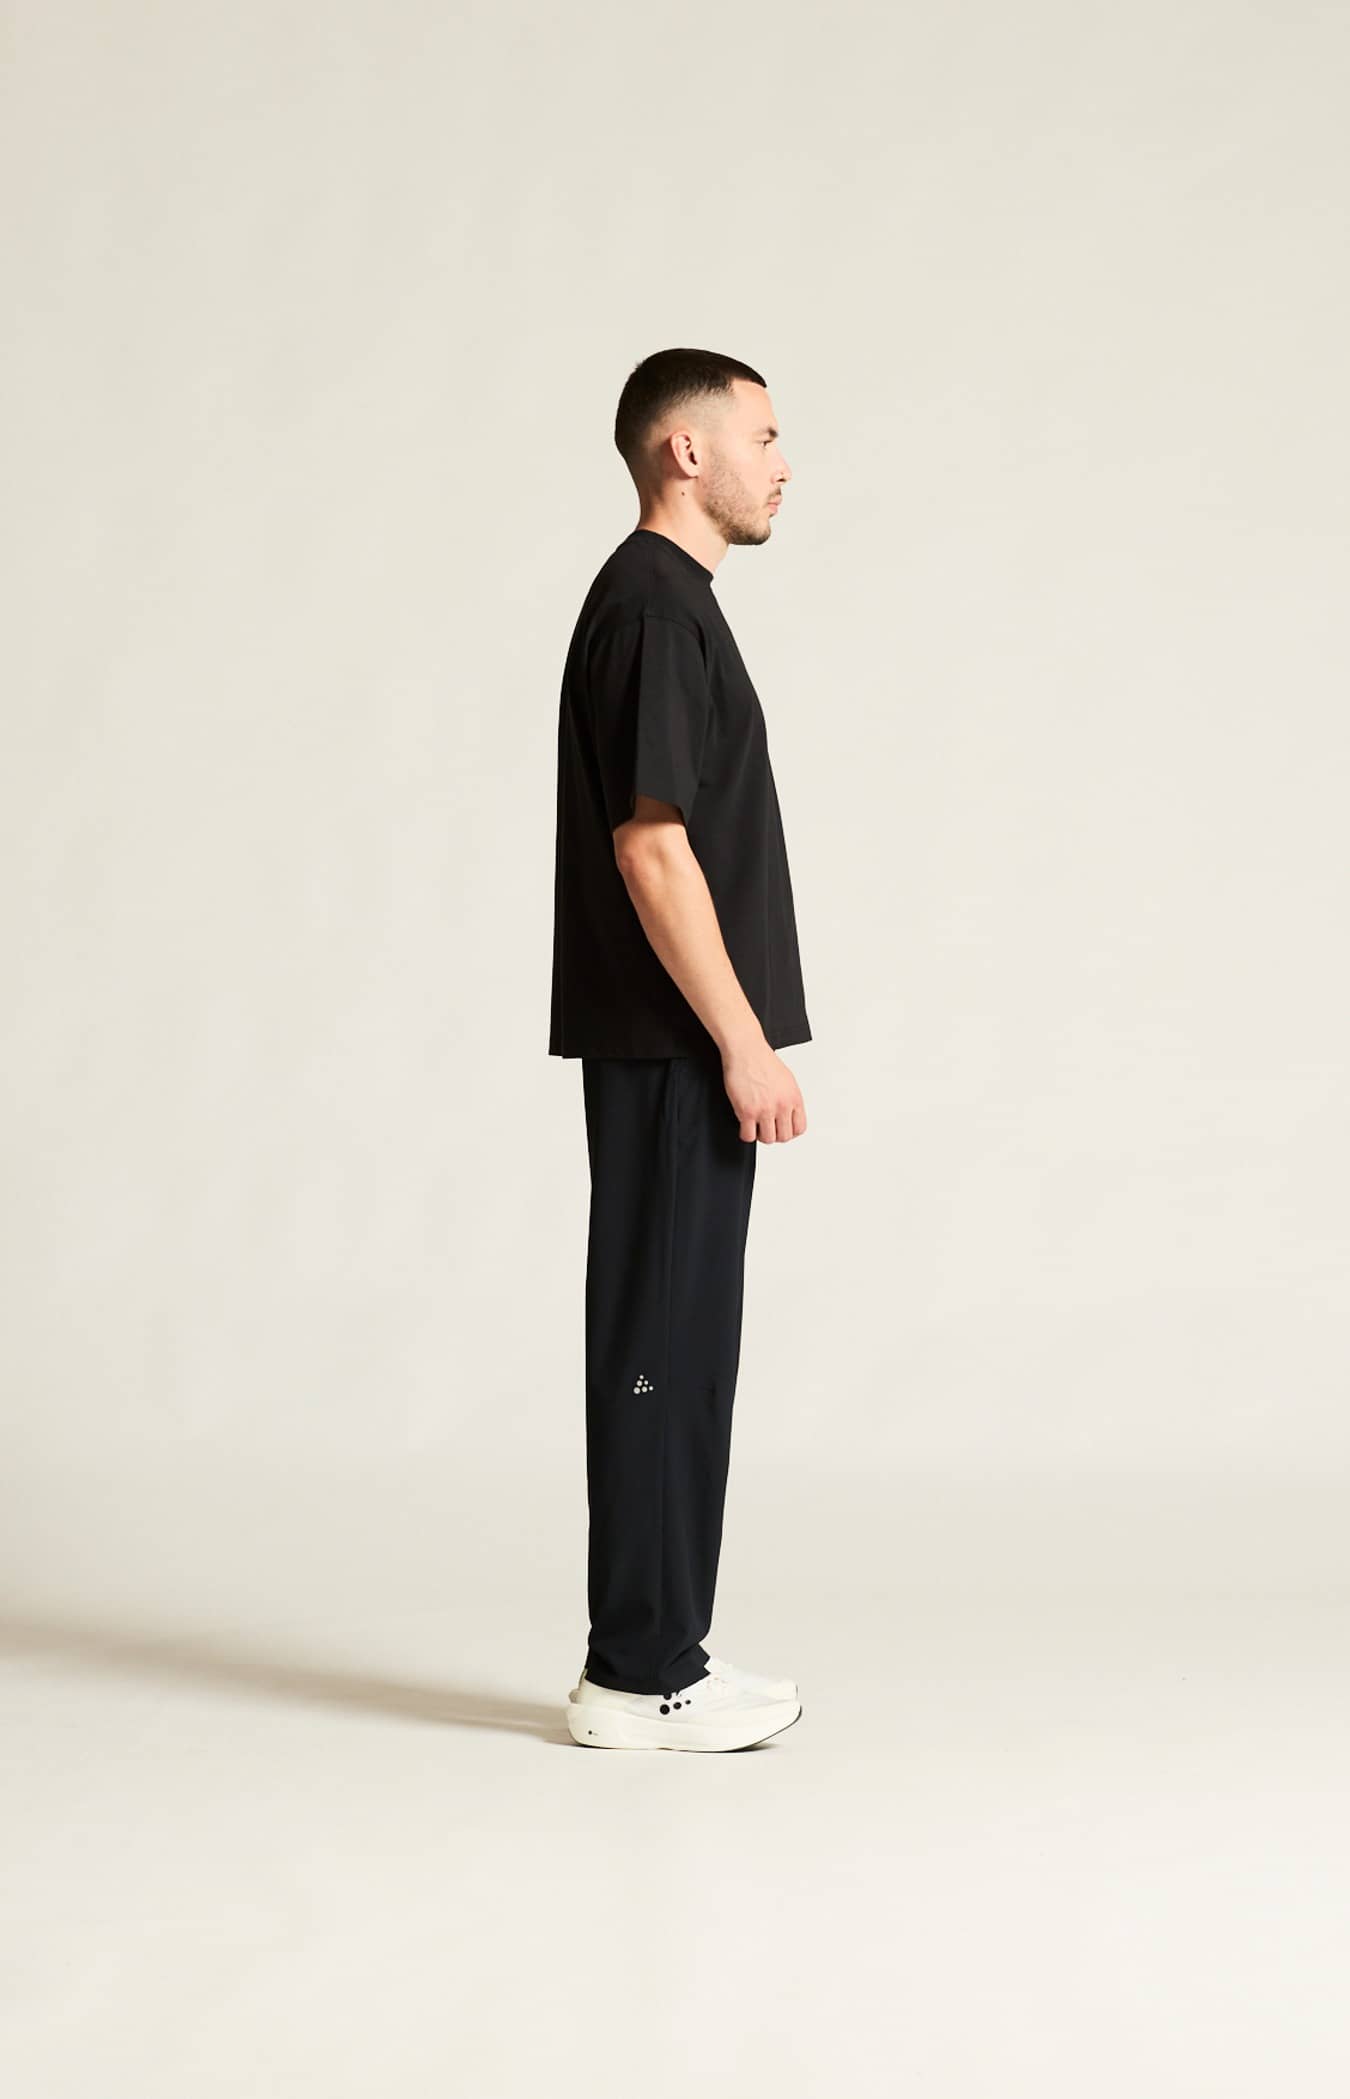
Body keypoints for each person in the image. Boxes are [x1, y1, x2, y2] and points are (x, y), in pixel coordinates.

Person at [549, 347, 812, 1752]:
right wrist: (743, 1044)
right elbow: (650, 849)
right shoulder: (652, 607)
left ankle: (662, 1656)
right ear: (685, 451)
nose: (783, 462)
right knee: (661, 1340)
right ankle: (639, 1673)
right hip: (672, 1044)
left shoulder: (671, 604)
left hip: (676, 1043)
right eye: (762, 435)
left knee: (684, 1345)